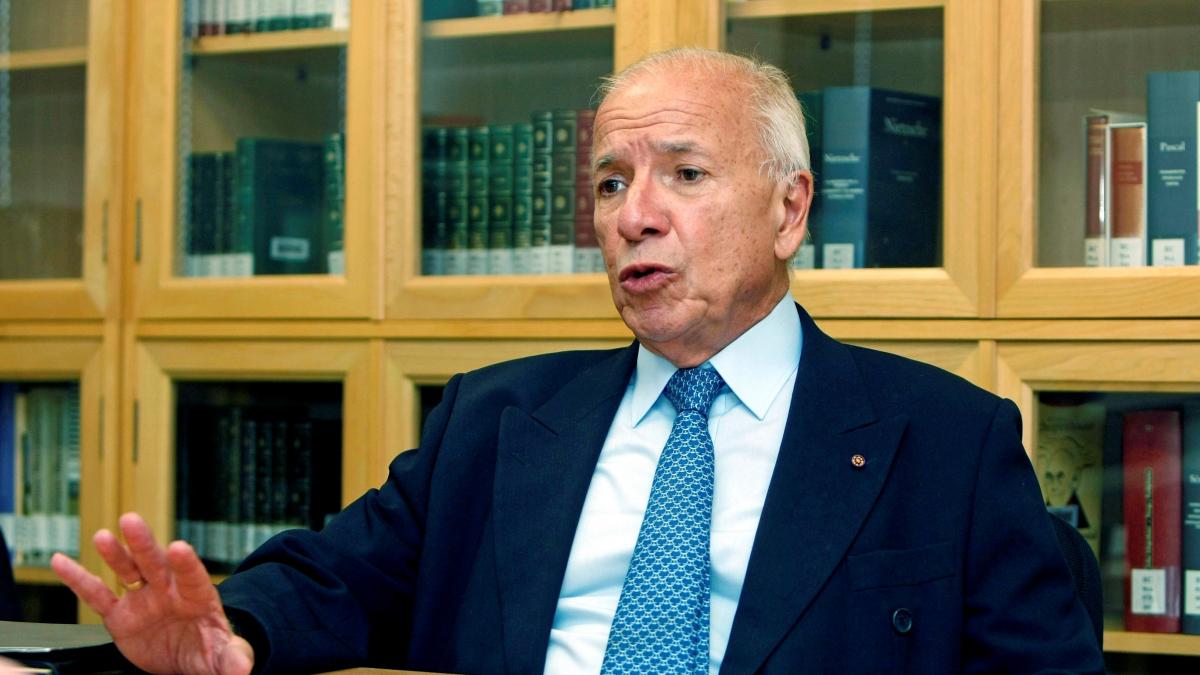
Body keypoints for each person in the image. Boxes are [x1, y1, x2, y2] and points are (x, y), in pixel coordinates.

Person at [52, 48, 1103, 674]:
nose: (634, 216)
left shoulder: (948, 440)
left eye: (684, 174)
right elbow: (336, 576)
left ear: (790, 210)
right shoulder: (497, 419)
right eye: (608, 183)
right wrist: (233, 632)